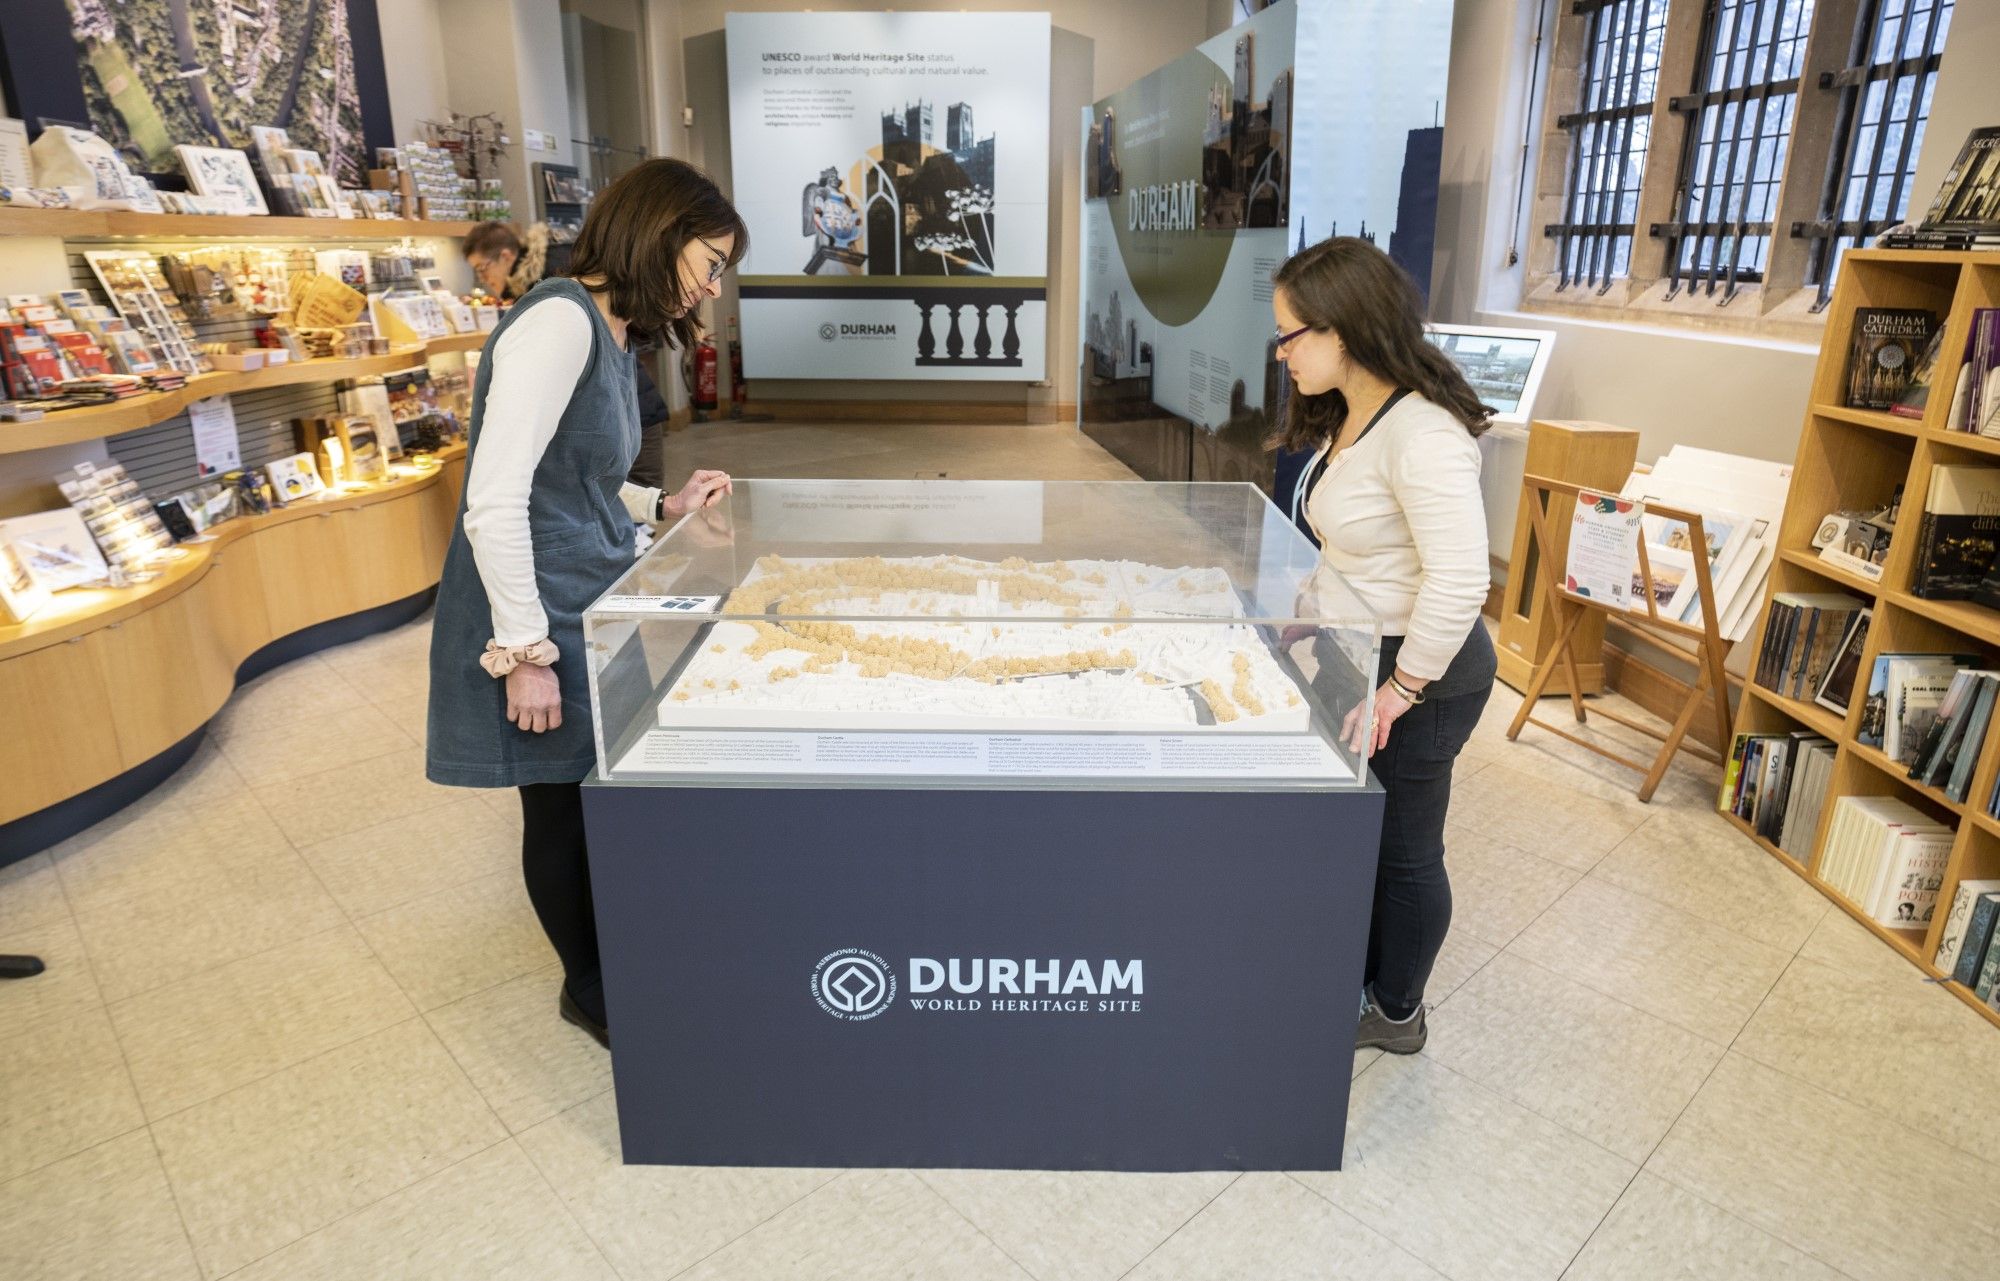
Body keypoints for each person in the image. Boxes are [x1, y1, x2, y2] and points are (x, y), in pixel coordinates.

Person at [427, 159, 747, 1049]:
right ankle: (590, 985)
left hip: (585, 593)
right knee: (558, 802)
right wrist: (525, 654)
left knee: (594, 791)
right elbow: (494, 500)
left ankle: (619, 954)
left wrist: (661, 506)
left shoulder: (609, 328)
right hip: (535, 613)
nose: (711, 287)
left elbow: (574, 481)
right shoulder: (559, 324)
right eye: (710, 262)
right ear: (661, 231)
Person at [1271, 236, 1495, 1055]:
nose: (1283, 353)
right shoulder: (1354, 412)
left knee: (1404, 849)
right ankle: (1356, 970)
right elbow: (1353, 545)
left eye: (1292, 335)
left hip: (1423, 675)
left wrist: (1401, 691)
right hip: (1361, 654)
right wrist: (1308, 608)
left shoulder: (1424, 433)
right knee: (1362, 834)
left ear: (1345, 329)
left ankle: (1398, 1010)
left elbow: (1460, 579)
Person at [462, 220, 669, 492]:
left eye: (482, 268)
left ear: (505, 255)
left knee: (633, 508)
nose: (484, 280)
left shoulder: (552, 289)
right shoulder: (551, 274)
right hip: (624, 413)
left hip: (622, 416)